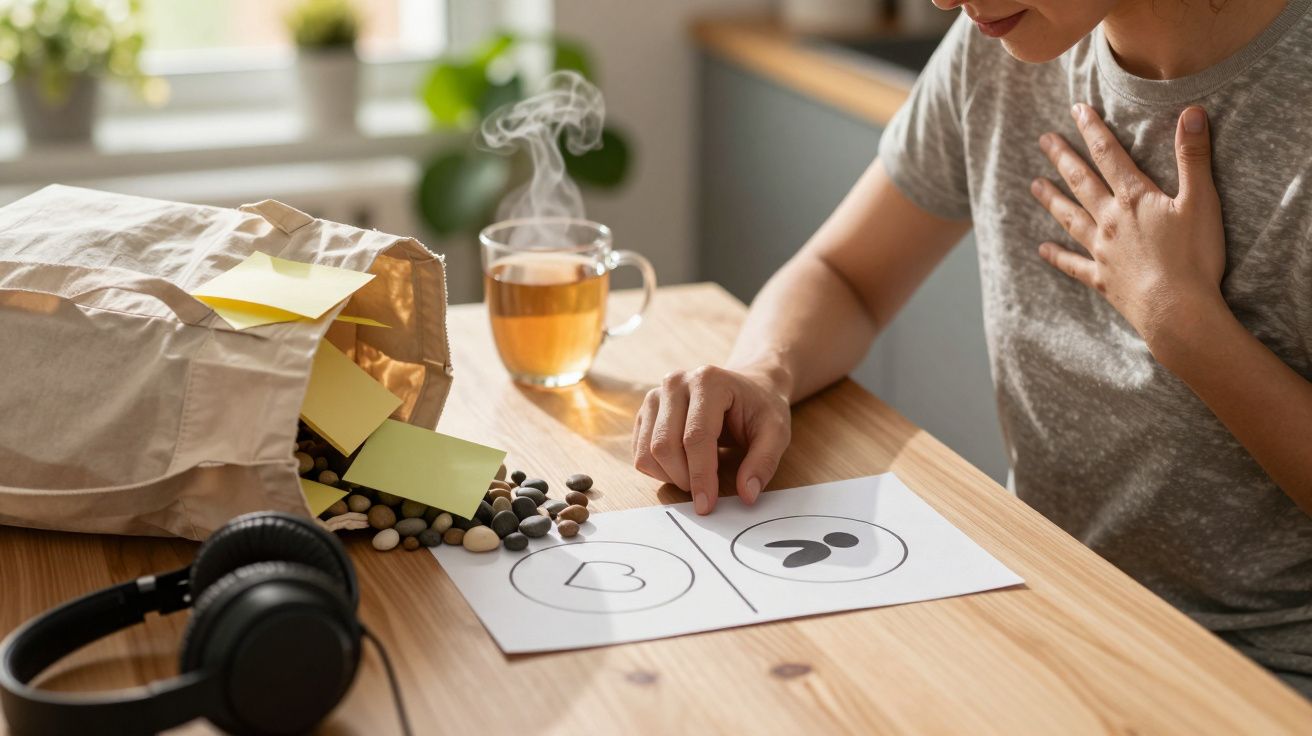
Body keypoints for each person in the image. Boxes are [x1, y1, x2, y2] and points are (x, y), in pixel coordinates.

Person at [632, 0, 1312, 699]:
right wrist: (764, 372)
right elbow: (846, 276)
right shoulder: (999, 43)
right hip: (1042, 610)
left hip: (1263, 678)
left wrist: (1181, 323)